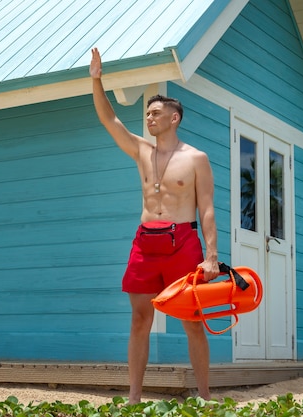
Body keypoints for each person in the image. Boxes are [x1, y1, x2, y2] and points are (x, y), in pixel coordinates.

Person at [89, 47, 220, 403]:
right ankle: (134, 397)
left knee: (192, 320)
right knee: (139, 319)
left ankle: (206, 397)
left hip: (183, 242)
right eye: (147, 113)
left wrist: (211, 256)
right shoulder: (141, 151)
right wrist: (96, 80)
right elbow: (109, 120)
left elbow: (207, 208)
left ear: (174, 118)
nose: (149, 117)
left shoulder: (196, 159)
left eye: (156, 112)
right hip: (146, 243)